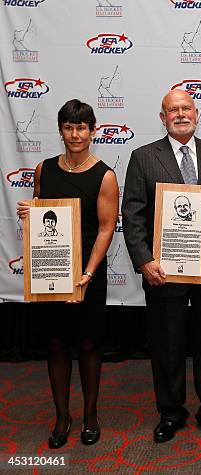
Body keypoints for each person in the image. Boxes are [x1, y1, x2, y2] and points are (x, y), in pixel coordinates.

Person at [121, 89, 201, 443]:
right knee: (168, 345)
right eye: (172, 110)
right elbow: (133, 214)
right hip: (165, 269)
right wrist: (143, 260)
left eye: (186, 108)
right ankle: (171, 412)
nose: (180, 114)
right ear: (162, 118)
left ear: (197, 113)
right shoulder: (143, 157)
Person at [16, 99, 119, 449]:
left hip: (87, 272)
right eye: (68, 127)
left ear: (93, 130)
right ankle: (62, 416)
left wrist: (87, 275)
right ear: (61, 130)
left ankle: (90, 415)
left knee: (89, 344)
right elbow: (42, 212)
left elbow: (106, 229)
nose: (75, 134)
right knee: (56, 344)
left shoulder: (105, 175)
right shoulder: (44, 169)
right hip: (52, 272)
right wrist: (29, 213)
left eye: (81, 127)